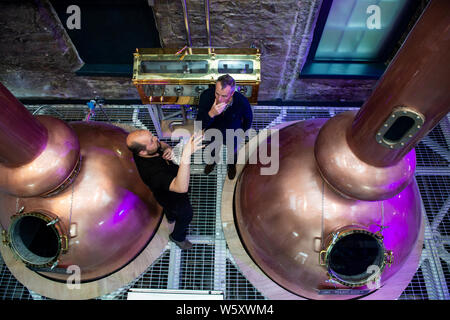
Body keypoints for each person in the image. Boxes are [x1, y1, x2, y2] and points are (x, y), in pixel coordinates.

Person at [126, 130, 203, 250]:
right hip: (172, 197)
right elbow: (181, 188)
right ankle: (177, 237)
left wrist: (169, 149)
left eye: (153, 136)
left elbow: (162, 144)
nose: (156, 138)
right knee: (186, 215)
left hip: (165, 191)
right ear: (142, 152)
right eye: (152, 140)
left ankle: (171, 217)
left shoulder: (148, 150)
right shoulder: (151, 172)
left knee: (170, 211)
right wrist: (186, 155)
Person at [196, 74, 253, 179]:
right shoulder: (206, 96)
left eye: (224, 96)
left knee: (233, 151)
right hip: (212, 131)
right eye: (217, 94)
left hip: (233, 132)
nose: (219, 99)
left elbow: (248, 118)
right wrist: (211, 114)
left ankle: (231, 166)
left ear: (231, 94)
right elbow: (199, 124)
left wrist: (243, 132)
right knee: (213, 149)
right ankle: (212, 162)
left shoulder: (241, 101)